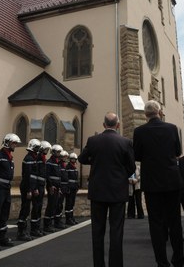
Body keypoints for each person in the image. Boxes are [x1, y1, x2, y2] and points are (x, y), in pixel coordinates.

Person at [78, 112, 135, 267]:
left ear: (104, 125)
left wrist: (95, 161)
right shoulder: (125, 142)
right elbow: (131, 167)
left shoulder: (93, 140)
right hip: (117, 191)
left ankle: (99, 264)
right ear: (118, 125)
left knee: (97, 231)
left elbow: (81, 158)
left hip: (98, 190)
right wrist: (120, 174)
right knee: (116, 231)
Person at [133, 100, 184, 267]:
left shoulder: (139, 131)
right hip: (171, 180)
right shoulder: (171, 128)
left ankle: (162, 262)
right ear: (159, 112)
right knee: (174, 221)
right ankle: (178, 259)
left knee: (155, 223)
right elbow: (178, 152)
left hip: (152, 182)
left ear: (145, 114)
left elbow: (137, 156)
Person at [0, 133, 21, 251]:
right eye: (14, 143)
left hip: (6, 188)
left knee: (4, 213)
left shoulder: (9, 157)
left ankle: (1, 237)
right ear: (7, 143)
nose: (15, 145)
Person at [16, 138, 41, 241]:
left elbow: (33, 177)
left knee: (27, 209)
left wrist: (34, 188)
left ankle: (23, 231)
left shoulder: (33, 158)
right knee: (25, 209)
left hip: (30, 187)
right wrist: (29, 190)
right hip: (27, 187)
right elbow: (27, 177)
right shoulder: (29, 159)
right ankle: (21, 232)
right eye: (36, 148)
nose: (38, 150)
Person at [31, 140, 51, 237]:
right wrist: (35, 188)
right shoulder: (39, 158)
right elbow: (36, 174)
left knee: (39, 208)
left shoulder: (43, 158)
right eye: (46, 149)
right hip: (38, 186)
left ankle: (37, 228)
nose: (47, 151)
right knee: (36, 208)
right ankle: (34, 229)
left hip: (41, 185)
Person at [43, 143, 63, 233]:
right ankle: (47, 225)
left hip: (57, 187)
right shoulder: (50, 162)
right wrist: (50, 186)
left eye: (60, 152)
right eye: (58, 152)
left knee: (55, 205)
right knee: (51, 206)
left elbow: (58, 177)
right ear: (53, 152)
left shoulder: (58, 163)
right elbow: (48, 175)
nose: (59, 153)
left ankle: (50, 224)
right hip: (52, 187)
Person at [54, 149, 69, 229]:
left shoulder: (64, 165)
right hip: (61, 186)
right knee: (58, 205)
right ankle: (57, 221)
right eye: (64, 157)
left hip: (64, 187)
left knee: (60, 205)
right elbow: (60, 177)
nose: (65, 158)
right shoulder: (59, 165)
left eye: (66, 157)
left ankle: (59, 220)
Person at [65, 152, 79, 225]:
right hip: (70, 188)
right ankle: (68, 219)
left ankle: (71, 217)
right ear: (70, 159)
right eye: (72, 159)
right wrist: (68, 187)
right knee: (69, 203)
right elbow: (67, 178)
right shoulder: (68, 167)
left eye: (74, 159)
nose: (73, 160)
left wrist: (77, 186)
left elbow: (76, 178)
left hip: (74, 188)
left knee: (72, 203)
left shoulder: (74, 167)